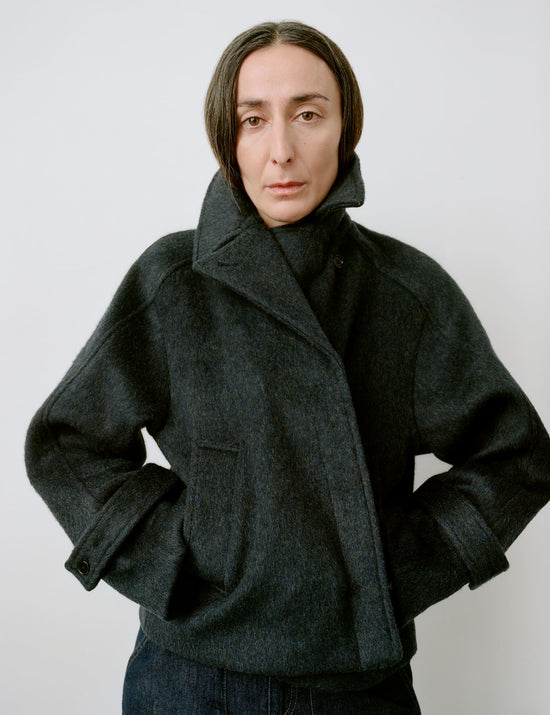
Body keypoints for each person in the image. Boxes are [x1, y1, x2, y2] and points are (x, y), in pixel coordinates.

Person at [25, 20, 550, 715]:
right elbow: (66, 442)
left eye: (307, 114)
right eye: (253, 119)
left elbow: (515, 456)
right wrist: (173, 558)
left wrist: (391, 568)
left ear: (345, 127)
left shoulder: (406, 291)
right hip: (189, 676)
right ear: (227, 138)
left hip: (358, 683)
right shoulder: (172, 279)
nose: (281, 150)